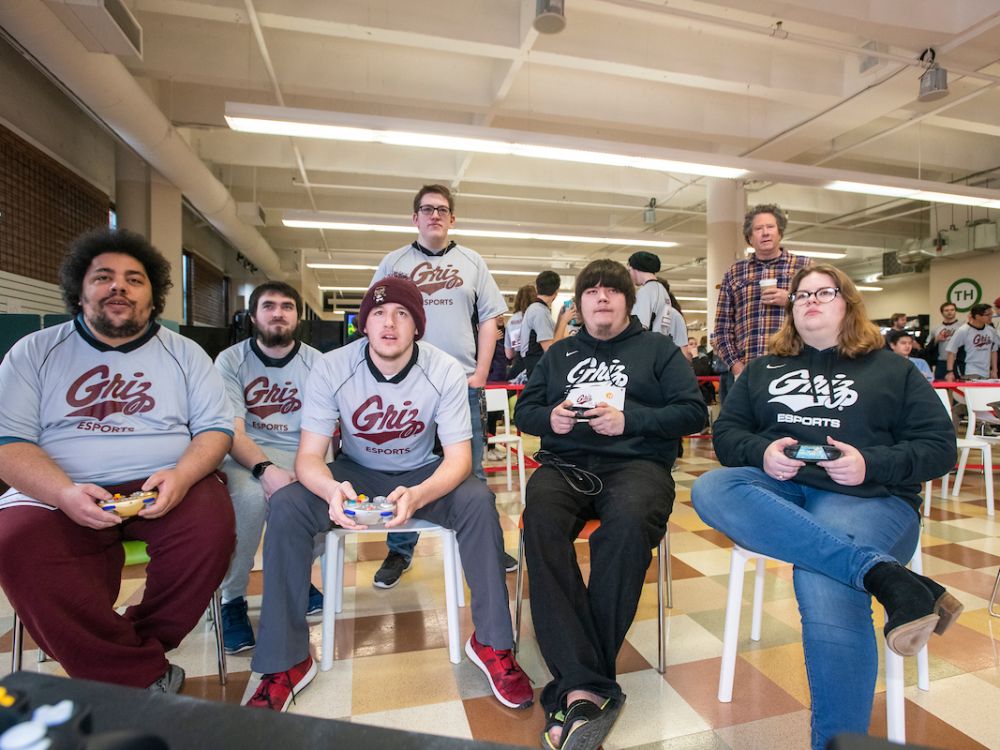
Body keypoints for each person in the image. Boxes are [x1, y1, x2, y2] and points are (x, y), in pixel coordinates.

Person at [691, 265, 960, 750]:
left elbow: (940, 449)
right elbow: (728, 436)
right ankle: (887, 577)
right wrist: (762, 454)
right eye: (801, 295)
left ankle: (836, 744)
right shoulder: (762, 369)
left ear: (848, 303)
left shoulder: (892, 369)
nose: (810, 300)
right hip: (781, 490)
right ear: (790, 310)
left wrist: (869, 463)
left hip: (868, 497)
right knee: (711, 488)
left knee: (823, 579)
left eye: (824, 292)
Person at [245, 276, 533, 713]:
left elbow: (457, 460)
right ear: (364, 323)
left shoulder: (444, 370)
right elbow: (308, 458)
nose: (389, 323)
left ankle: (492, 644)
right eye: (378, 313)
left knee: (477, 499)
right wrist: (330, 490)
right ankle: (287, 661)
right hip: (354, 473)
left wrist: (417, 495)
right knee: (287, 504)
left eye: (402, 314)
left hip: (422, 474)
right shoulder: (332, 366)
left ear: (418, 325)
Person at [0, 227, 236, 692]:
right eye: (103, 277)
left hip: (165, 479)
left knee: (211, 530)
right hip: (61, 483)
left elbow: (215, 430)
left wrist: (184, 476)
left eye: (134, 279)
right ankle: (139, 674)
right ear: (79, 290)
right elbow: (8, 443)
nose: (119, 287)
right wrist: (63, 493)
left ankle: (119, 651)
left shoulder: (186, 354)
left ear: (153, 296)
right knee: (14, 543)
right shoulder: (34, 352)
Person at [514, 259, 707, 750]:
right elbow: (526, 409)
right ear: (579, 303)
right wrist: (551, 420)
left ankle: (579, 685)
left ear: (628, 300)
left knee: (625, 528)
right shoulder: (558, 355)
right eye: (591, 291)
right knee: (540, 522)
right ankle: (591, 682)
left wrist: (630, 420)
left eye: (612, 291)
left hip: (636, 466)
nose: (601, 297)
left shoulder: (659, 351)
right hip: (566, 467)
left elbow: (692, 412)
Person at [370, 184, 512, 586]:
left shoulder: (472, 262)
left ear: (453, 219)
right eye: (427, 209)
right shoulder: (393, 262)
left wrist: (482, 373)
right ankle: (399, 552)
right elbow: (375, 318)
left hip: (461, 384)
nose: (435, 215)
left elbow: (489, 320)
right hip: (405, 388)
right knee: (404, 469)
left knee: (474, 471)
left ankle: (488, 547)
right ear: (414, 217)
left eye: (442, 209)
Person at [214, 282, 324, 654]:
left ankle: (297, 576)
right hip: (246, 454)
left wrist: (308, 470)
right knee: (249, 500)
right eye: (269, 306)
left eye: (287, 306)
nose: (278, 313)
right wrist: (265, 469)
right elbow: (231, 430)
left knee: (322, 500)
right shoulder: (230, 361)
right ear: (253, 315)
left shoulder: (317, 363)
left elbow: (321, 430)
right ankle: (232, 599)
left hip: (302, 452)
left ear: (297, 316)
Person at [712, 204, 811, 393]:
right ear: (750, 237)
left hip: (794, 370)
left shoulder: (804, 267)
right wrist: (736, 366)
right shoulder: (735, 272)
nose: (765, 233)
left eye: (770, 227)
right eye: (758, 229)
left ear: (780, 232)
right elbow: (722, 328)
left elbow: (822, 312)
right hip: (749, 372)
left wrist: (791, 299)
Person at [520, 270, 574, 377]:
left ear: (537, 288)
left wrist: (560, 319)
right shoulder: (539, 312)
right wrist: (564, 321)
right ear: (556, 291)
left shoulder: (539, 309)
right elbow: (550, 350)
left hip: (536, 366)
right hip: (537, 368)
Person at [944, 303, 999, 381]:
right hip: (968, 370)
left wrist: (994, 370)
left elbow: (994, 351)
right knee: (973, 392)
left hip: (986, 371)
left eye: (991, 314)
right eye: (987, 314)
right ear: (977, 316)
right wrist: (950, 372)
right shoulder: (963, 331)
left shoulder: (991, 330)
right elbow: (951, 352)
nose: (991, 316)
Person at [627, 251, 669, 332]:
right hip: (660, 341)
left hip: (647, 342)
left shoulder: (645, 292)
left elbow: (640, 326)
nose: (630, 274)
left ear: (635, 269)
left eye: (630, 270)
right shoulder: (662, 290)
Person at [505, 284, 536, 381]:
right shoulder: (538, 316)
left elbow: (509, 354)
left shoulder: (512, 321)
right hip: (536, 363)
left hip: (518, 364)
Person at [925, 302, 961, 380]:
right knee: (941, 386)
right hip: (941, 362)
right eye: (946, 310)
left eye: (952, 310)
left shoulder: (962, 327)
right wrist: (936, 339)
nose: (950, 312)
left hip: (957, 362)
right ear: (942, 312)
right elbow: (927, 346)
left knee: (959, 387)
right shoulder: (936, 328)